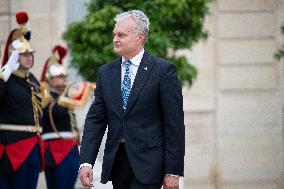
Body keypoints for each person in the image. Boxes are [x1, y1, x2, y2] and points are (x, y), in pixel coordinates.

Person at [79, 10, 185, 189]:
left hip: (150, 165)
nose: (115, 39)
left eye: (121, 35)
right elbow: (95, 120)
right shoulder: (106, 72)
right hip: (117, 165)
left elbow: (174, 125)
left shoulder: (163, 71)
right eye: (114, 34)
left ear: (140, 37)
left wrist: (173, 172)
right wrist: (86, 162)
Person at [40, 45, 95, 189]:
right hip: (53, 147)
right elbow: (54, 112)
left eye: (64, 76)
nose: (64, 79)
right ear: (50, 80)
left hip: (70, 147)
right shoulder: (47, 98)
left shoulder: (64, 96)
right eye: (59, 77)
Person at [0, 12, 43, 189]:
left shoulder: (32, 79)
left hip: (33, 143)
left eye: (30, 54)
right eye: (24, 54)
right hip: (12, 145)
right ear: (14, 56)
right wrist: (6, 70)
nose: (28, 57)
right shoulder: (6, 77)